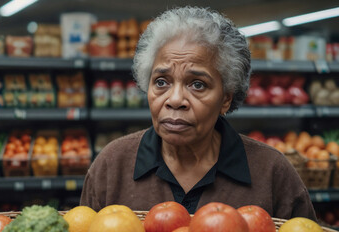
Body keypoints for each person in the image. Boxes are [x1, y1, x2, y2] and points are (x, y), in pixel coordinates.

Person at [80, 6, 316, 220]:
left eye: (198, 84)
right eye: (161, 82)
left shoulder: (272, 172)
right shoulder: (111, 166)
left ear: (225, 98)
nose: (175, 100)